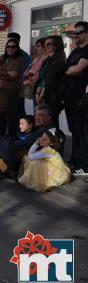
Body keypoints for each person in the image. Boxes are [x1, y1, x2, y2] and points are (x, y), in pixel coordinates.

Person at [0, 104, 58, 180]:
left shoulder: (46, 131)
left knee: (10, 151)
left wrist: (6, 144)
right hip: (33, 157)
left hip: (40, 164)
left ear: (49, 117)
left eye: (40, 115)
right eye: (35, 115)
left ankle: (4, 170)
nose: (36, 118)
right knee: (8, 149)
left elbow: (23, 144)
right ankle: (1, 170)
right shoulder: (41, 127)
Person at [59, 21, 88, 174]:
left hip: (81, 98)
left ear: (87, 33)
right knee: (75, 132)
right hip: (70, 97)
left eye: (79, 33)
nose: (75, 36)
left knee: (81, 133)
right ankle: (75, 160)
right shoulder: (76, 51)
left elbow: (76, 70)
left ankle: (83, 165)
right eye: (74, 33)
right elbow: (67, 68)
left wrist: (66, 69)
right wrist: (67, 69)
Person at [0, 39, 24, 147]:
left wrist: (2, 74)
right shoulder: (2, 58)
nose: (10, 49)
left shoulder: (19, 59)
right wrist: (6, 73)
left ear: (17, 48)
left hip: (11, 91)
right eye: (8, 47)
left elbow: (14, 76)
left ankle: (11, 140)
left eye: (13, 47)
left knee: (10, 116)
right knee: (1, 115)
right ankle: (0, 139)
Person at [18, 128, 70, 192]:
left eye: (45, 139)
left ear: (51, 143)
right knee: (36, 160)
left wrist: (36, 143)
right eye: (42, 137)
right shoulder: (49, 149)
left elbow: (30, 156)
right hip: (56, 169)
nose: (41, 140)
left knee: (36, 162)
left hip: (52, 173)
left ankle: (40, 181)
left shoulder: (47, 151)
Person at [36, 35, 65, 127]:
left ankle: (54, 141)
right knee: (45, 124)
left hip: (52, 97)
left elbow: (50, 81)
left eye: (48, 44)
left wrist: (41, 95)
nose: (45, 47)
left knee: (51, 123)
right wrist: (38, 93)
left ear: (55, 46)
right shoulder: (48, 60)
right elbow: (42, 77)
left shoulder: (58, 60)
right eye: (44, 45)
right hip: (45, 95)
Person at [8, 32, 31, 117]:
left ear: (17, 42)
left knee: (19, 110)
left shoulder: (23, 56)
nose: (9, 44)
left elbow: (26, 73)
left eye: (12, 41)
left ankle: (22, 129)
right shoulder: (8, 55)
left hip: (18, 87)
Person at [22, 37, 48, 109]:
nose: (36, 48)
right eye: (36, 45)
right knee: (36, 111)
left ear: (44, 46)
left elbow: (41, 75)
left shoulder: (48, 59)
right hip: (34, 90)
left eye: (38, 46)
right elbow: (27, 71)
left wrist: (29, 80)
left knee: (43, 113)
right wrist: (30, 74)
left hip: (42, 90)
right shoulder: (37, 58)